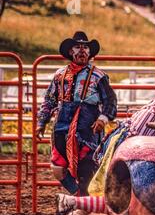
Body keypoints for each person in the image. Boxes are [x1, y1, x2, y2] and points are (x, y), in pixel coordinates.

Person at [55, 70, 155, 215]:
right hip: (129, 146)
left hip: (130, 145)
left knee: (116, 188)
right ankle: (70, 203)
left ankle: (74, 212)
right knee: (116, 189)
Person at [36, 31, 117, 197]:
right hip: (62, 125)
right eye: (78, 47)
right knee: (58, 168)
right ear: (71, 52)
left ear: (89, 53)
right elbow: (49, 100)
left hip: (88, 126)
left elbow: (110, 101)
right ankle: (80, 198)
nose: (82, 51)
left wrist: (103, 119)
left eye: (85, 47)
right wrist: (41, 122)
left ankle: (82, 205)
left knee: (86, 168)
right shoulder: (59, 75)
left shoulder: (98, 76)